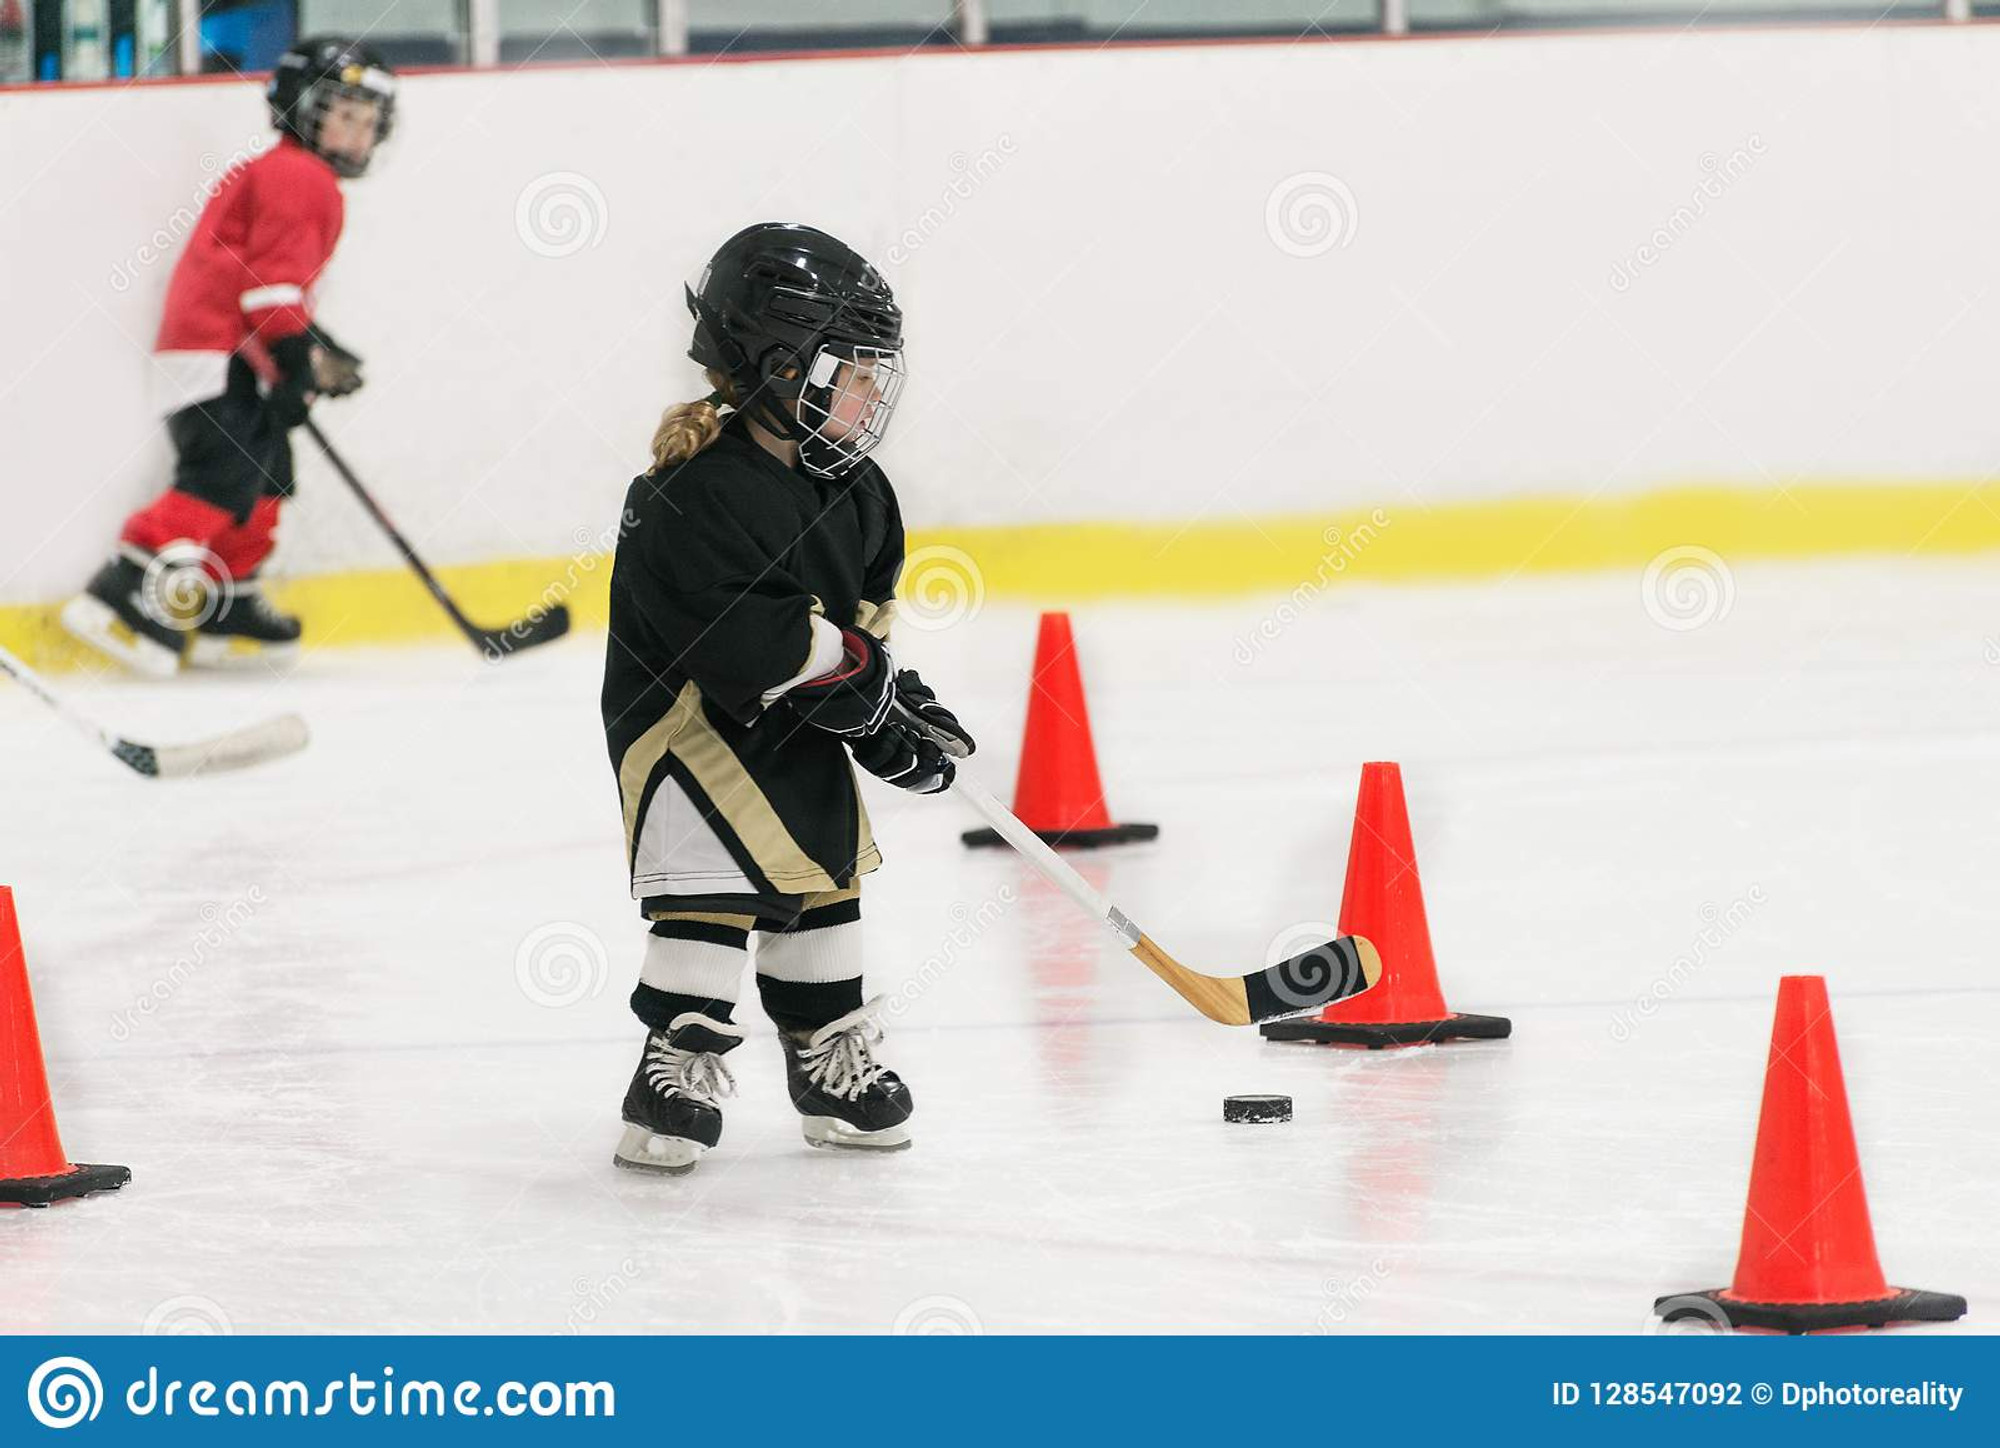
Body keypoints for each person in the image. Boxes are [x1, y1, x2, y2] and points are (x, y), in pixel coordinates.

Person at [601, 222, 976, 1175]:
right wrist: (863, 690)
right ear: (777, 366)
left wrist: (901, 706)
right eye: (851, 370)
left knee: (825, 881)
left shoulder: (860, 493)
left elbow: (860, 627)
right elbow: (747, 639)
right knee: (720, 882)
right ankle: (672, 1063)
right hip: (694, 724)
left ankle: (825, 1061)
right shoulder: (695, 489)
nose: (871, 394)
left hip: (792, 719)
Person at [61, 37, 396, 676]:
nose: (358, 132)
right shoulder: (299, 174)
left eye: (368, 120)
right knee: (225, 474)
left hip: (233, 353)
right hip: (214, 355)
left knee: (267, 474)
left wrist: (312, 352)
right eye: (343, 113)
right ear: (302, 107)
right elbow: (268, 288)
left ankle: (226, 600)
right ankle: (125, 586)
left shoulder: (290, 174)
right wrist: (299, 359)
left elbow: (272, 290)